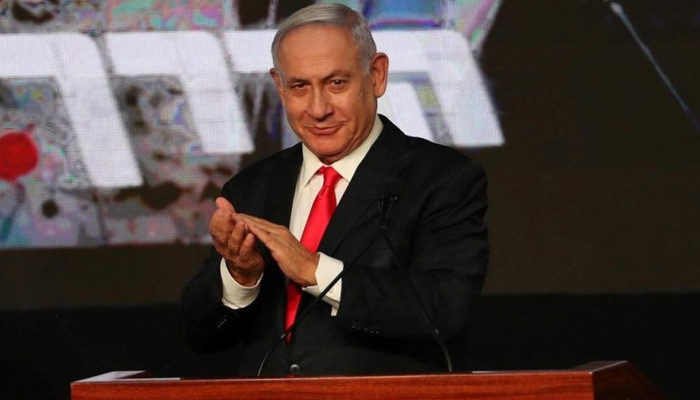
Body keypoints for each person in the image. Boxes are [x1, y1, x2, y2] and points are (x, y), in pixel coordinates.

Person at [181, 3, 488, 377]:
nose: (318, 109)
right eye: (299, 86)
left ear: (377, 75)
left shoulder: (442, 178)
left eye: (336, 83)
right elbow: (199, 335)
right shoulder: (252, 188)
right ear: (280, 87)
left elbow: (446, 309)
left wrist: (315, 270)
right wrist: (240, 278)